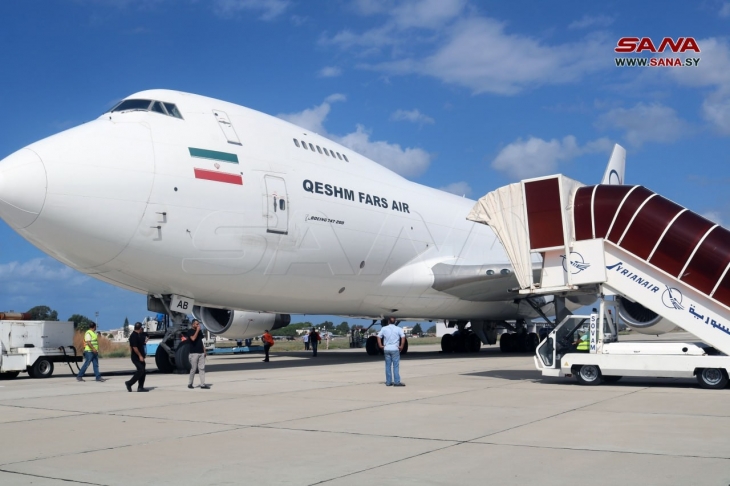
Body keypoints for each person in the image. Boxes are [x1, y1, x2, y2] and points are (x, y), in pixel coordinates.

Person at [377, 317, 405, 387]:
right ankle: (396, 382)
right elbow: (403, 337)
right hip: (395, 349)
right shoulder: (398, 329)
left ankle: (388, 382)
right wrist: (401, 346)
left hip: (386, 348)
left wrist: (380, 345)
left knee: (388, 366)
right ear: (395, 322)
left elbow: (378, 336)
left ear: (388, 321)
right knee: (395, 366)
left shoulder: (384, 328)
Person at [125, 322, 149, 392]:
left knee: (143, 371)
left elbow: (131, 346)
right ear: (140, 328)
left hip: (140, 356)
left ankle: (140, 387)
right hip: (136, 357)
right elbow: (134, 347)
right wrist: (140, 356)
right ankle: (129, 383)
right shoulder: (134, 336)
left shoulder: (139, 335)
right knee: (141, 370)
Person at [187, 319, 209, 389]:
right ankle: (190, 383)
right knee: (193, 369)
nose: (198, 325)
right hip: (194, 353)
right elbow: (193, 339)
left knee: (202, 368)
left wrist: (204, 350)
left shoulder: (200, 332)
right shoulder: (190, 331)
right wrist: (197, 331)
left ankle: (202, 384)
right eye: (197, 324)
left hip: (201, 353)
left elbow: (201, 341)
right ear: (193, 324)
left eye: (198, 324)